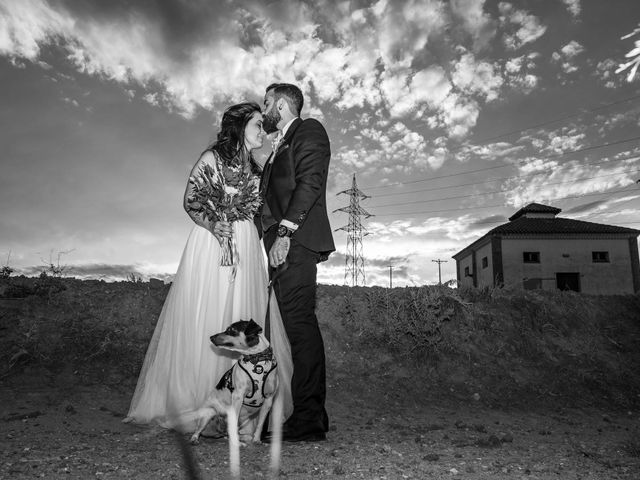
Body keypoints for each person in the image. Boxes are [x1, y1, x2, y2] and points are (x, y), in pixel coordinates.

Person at [124, 102, 293, 433]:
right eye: (257, 125)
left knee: (242, 311)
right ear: (239, 127)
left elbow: (263, 210)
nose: (261, 131)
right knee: (209, 310)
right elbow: (190, 199)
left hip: (245, 243)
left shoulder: (258, 169)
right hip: (212, 241)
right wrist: (215, 224)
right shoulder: (211, 159)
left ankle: (236, 403)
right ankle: (199, 399)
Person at [259, 83, 335, 442]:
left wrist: (285, 235)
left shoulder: (309, 130)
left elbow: (310, 183)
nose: (264, 109)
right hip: (282, 243)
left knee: (300, 324)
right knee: (294, 325)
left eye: (267, 102)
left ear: (284, 105)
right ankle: (312, 414)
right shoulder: (278, 146)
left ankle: (307, 419)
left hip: (297, 242)